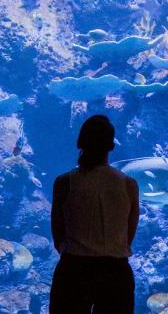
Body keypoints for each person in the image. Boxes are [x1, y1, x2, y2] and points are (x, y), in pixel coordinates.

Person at [49, 115, 140, 314]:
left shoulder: (64, 182)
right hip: (116, 272)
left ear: (80, 143)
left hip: (74, 270)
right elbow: (129, 234)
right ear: (111, 146)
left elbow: (57, 232)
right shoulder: (129, 184)